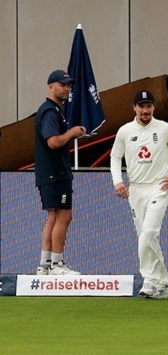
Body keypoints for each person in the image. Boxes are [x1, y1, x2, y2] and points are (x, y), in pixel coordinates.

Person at [110, 90, 168, 299]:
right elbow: (115, 157)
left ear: (153, 108)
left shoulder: (164, 128)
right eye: (141, 106)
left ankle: (149, 279)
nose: (145, 111)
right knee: (145, 237)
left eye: (149, 106)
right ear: (134, 108)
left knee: (149, 233)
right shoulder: (125, 131)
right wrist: (118, 181)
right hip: (136, 189)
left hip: (159, 187)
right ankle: (162, 282)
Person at [34, 69, 86, 275]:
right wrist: (71, 133)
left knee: (53, 217)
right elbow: (53, 142)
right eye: (63, 85)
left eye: (69, 85)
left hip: (50, 173)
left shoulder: (53, 110)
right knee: (63, 216)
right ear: (51, 86)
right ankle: (57, 264)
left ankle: (45, 265)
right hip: (55, 172)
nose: (67, 89)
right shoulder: (49, 111)